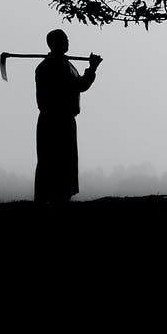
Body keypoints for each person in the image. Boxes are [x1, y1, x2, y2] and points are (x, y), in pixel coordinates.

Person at [34, 29, 100, 204]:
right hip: (55, 120)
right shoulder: (54, 67)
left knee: (63, 160)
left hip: (61, 119)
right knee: (55, 160)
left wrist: (91, 69)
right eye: (64, 39)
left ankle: (59, 196)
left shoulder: (62, 64)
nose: (67, 42)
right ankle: (53, 197)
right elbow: (79, 85)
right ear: (55, 43)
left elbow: (80, 85)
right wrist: (92, 69)